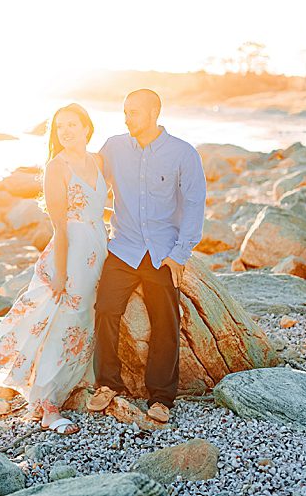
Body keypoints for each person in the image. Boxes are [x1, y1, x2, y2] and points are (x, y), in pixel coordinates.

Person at [0, 103, 108, 435]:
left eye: (73, 124)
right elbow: (59, 226)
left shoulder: (99, 161)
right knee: (61, 322)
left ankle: (75, 383)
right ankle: (47, 405)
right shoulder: (57, 168)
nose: (67, 131)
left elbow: (100, 206)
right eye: (61, 127)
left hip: (99, 247)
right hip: (71, 253)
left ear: (87, 127)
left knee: (86, 322)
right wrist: (60, 272)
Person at [93, 89, 207, 424]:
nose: (127, 119)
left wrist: (180, 254)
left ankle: (161, 398)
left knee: (166, 321)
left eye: (135, 113)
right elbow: (91, 184)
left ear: (154, 112)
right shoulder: (113, 148)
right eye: (125, 112)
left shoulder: (182, 153)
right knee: (104, 310)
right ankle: (107, 384)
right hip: (123, 247)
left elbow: (194, 204)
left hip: (162, 252)